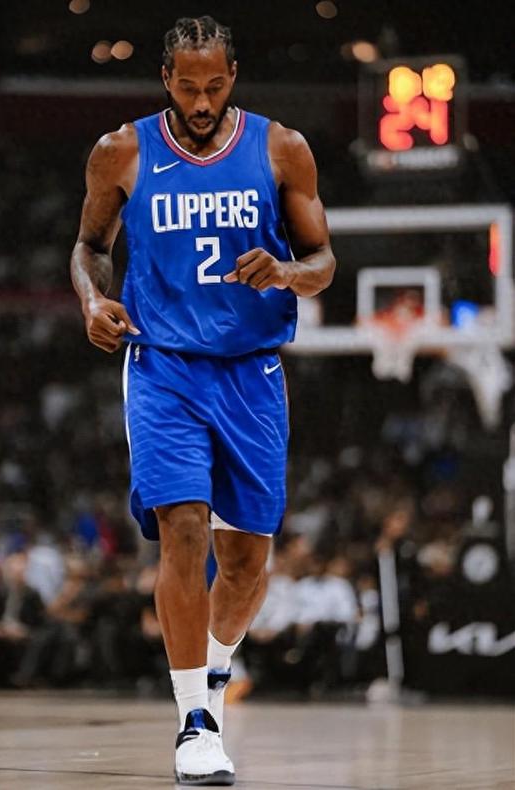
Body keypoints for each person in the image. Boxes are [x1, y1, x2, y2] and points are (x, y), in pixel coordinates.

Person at [71, 15, 335, 786]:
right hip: (163, 366)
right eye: (187, 87)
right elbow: (89, 248)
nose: (200, 101)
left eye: (214, 86)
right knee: (183, 530)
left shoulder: (282, 147)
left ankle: (214, 676)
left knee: (246, 562)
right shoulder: (121, 150)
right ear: (166, 79)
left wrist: (285, 273)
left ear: (233, 76)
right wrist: (92, 300)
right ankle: (194, 720)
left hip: (252, 371)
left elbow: (322, 260)